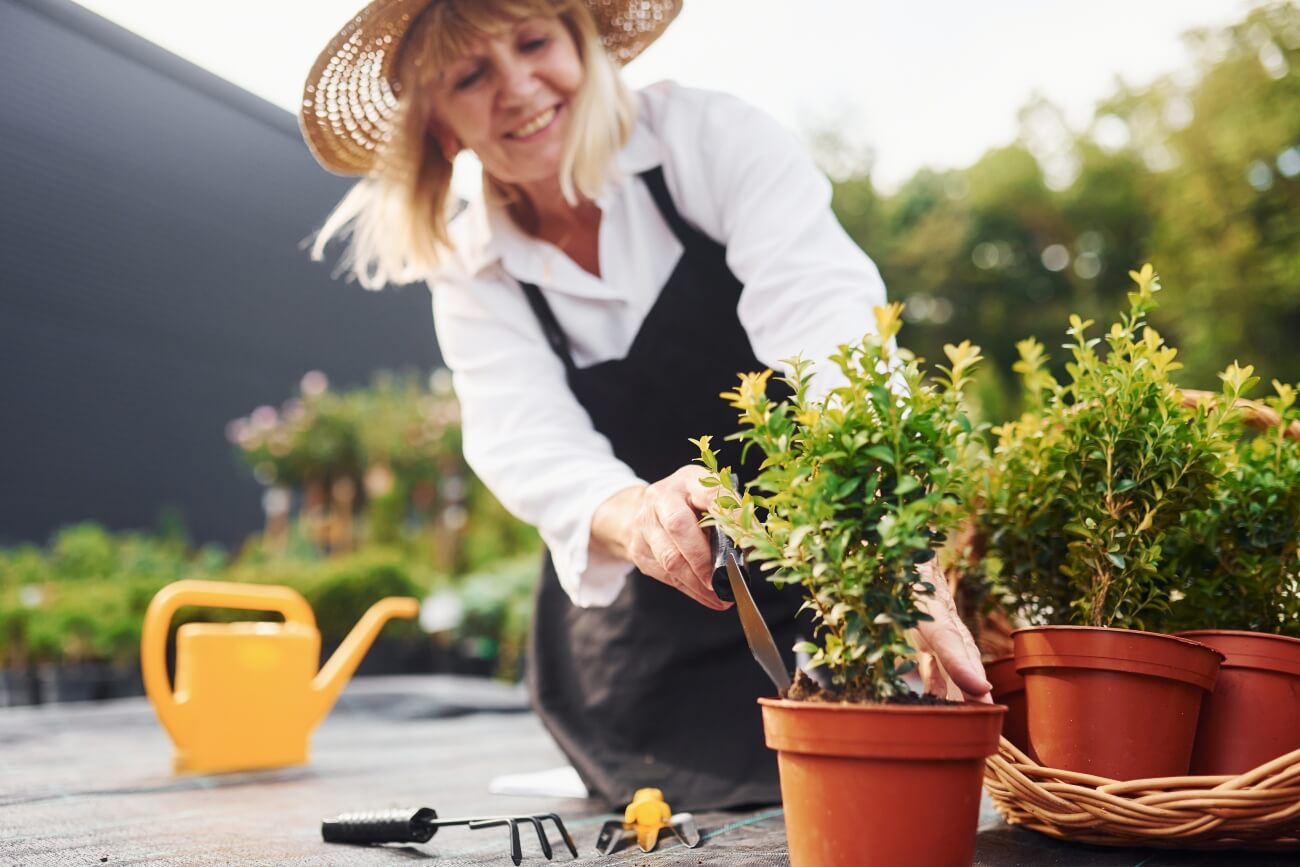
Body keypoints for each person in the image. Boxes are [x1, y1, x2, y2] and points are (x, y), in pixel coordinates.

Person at [300, 0, 992, 810]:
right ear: (440, 125)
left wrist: (897, 558)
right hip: (646, 652)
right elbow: (525, 440)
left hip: (826, 581)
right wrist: (636, 513)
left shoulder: (710, 141)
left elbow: (829, 330)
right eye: (471, 75)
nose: (518, 87)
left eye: (533, 42)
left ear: (581, 42)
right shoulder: (472, 272)